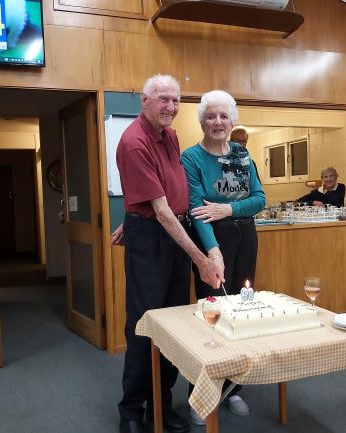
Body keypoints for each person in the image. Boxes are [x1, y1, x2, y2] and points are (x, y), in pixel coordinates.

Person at [113, 75, 224, 433]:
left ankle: (159, 406)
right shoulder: (134, 142)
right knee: (145, 327)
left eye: (176, 101)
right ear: (144, 99)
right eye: (163, 99)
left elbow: (168, 192)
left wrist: (131, 216)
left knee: (176, 327)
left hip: (171, 231)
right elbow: (159, 211)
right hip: (153, 236)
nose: (171, 107)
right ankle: (130, 410)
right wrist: (202, 260)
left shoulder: (170, 135)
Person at [181, 90, 266, 426]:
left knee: (241, 309)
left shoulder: (243, 154)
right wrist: (212, 251)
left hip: (247, 236)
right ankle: (200, 392)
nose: (217, 122)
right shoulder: (190, 158)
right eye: (211, 116)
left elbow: (259, 199)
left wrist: (229, 208)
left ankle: (233, 388)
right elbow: (197, 210)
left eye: (223, 116)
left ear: (232, 120)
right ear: (202, 120)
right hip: (212, 238)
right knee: (211, 312)